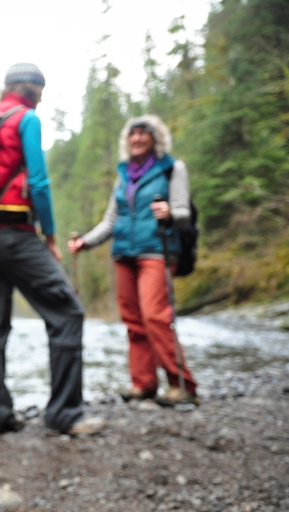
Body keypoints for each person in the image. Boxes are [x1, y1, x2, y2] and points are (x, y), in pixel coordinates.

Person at [0, 62, 105, 436]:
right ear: (31, 89)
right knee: (68, 314)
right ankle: (64, 414)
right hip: (15, 232)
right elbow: (40, 182)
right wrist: (49, 234)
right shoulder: (26, 119)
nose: (43, 95)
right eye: (41, 89)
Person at [68, 115, 200, 407]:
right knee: (133, 321)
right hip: (124, 253)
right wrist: (85, 242)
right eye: (132, 134)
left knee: (155, 316)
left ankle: (183, 384)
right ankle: (144, 383)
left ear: (156, 138)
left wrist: (169, 211)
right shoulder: (124, 173)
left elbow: (183, 212)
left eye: (143, 133)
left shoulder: (172, 169)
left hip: (157, 251)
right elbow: (111, 219)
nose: (137, 138)